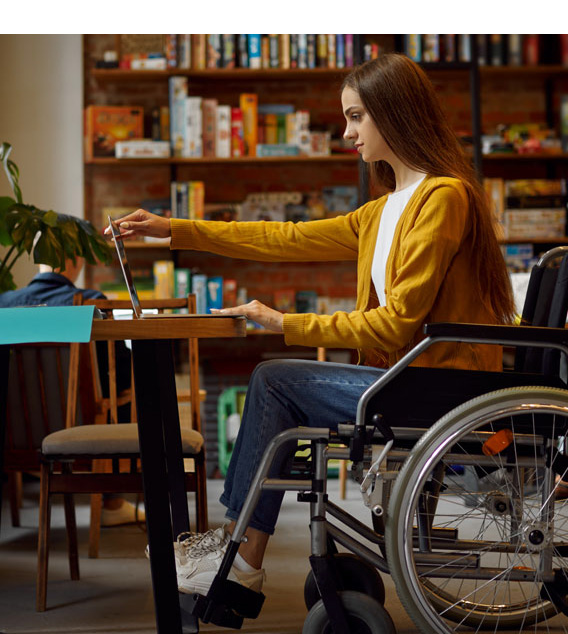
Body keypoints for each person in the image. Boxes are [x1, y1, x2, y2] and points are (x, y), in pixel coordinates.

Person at [106, 53, 515, 596]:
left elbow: (394, 325)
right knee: (274, 381)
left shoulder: (443, 197)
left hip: (439, 390)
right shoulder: (384, 209)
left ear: (394, 114)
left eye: (355, 117)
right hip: (410, 382)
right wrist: (172, 229)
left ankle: (241, 554)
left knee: (274, 380)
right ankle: (239, 550)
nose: (347, 133)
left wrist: (283, 321)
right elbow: (284, 237)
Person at [0, 256, 144, 527]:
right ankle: (111, 502)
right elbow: (119, 371)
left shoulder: (1, 304)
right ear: (76, 260)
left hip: (14, 434)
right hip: (77, 428)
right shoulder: (90, 301)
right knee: (122, 394)